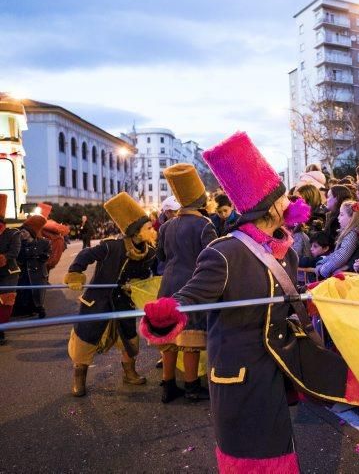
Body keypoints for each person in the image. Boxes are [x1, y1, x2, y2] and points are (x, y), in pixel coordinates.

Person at [142, 131, 359, 472]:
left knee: (277, 446)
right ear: (272, 207)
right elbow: (188, 300)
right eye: (283, 199)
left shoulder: (282, 249)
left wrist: (321, 293)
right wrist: (164, 315)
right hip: (240, 375)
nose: (290, 204)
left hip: (275, 367)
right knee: (251, 456)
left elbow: (288, 301)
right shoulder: (224, 253)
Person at [64, 192, 157, 397]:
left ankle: (129, 373)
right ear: (135, 231)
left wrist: (136, 286)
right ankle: (79, 380)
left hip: (124, 302)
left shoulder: (150, 253)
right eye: (148, 228)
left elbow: (147, 276)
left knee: (129, 339)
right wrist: (75, 273)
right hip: (98, 301)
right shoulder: (111, 246)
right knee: (85, 340)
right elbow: (85, 254)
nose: (153, 231)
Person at [156, 163, 218, 403]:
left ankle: (168, 385)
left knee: (169, 338)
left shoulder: (167, 226)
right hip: (192, 286)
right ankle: (191, 386)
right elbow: (212, 257)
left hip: (167, 285)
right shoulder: (205, 225)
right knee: (190, 339)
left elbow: (160, 257)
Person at [316, 200, 359, 279]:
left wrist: (324, 269)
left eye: (341, 215)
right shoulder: (349, 234)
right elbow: (337, 253)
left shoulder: (352, 235)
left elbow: (341, 256)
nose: (338, 217)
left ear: (352, 218)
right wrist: (322, 262)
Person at [15, 215, 51, 318]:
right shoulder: (19, 244)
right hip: (25, 272)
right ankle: (27, 310)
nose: (22, 234)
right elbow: (19, 258)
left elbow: (46, 256)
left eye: (24, 232)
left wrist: (37, 254)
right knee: (25, 291)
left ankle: (39, 309)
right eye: (21, 232)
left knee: (37, 292)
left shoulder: (44, 242)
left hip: (38, 273)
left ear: (30, 233)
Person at [0, 194, 20, 346]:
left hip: (8, 272)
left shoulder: (13, 234)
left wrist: (3, 258)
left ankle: (1, 330)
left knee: (6, 300)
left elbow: (14, 252)